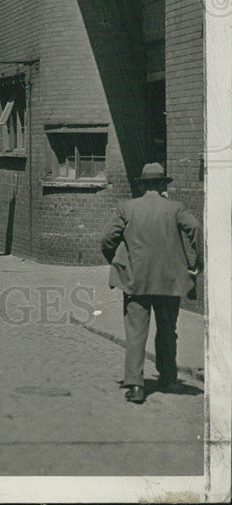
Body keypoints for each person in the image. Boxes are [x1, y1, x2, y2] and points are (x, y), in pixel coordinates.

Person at [100, 162, 202, 404]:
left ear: (143, 185)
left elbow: (106, 239)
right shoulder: (175, 208)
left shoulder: (127, 208)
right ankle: (167, 378)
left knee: (136, 333)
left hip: (136, 280)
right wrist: (198, 262)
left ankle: (135, 386)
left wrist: (115, 260)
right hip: (169, 282)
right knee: (167, 331)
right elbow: (196, 228)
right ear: (161, 184)